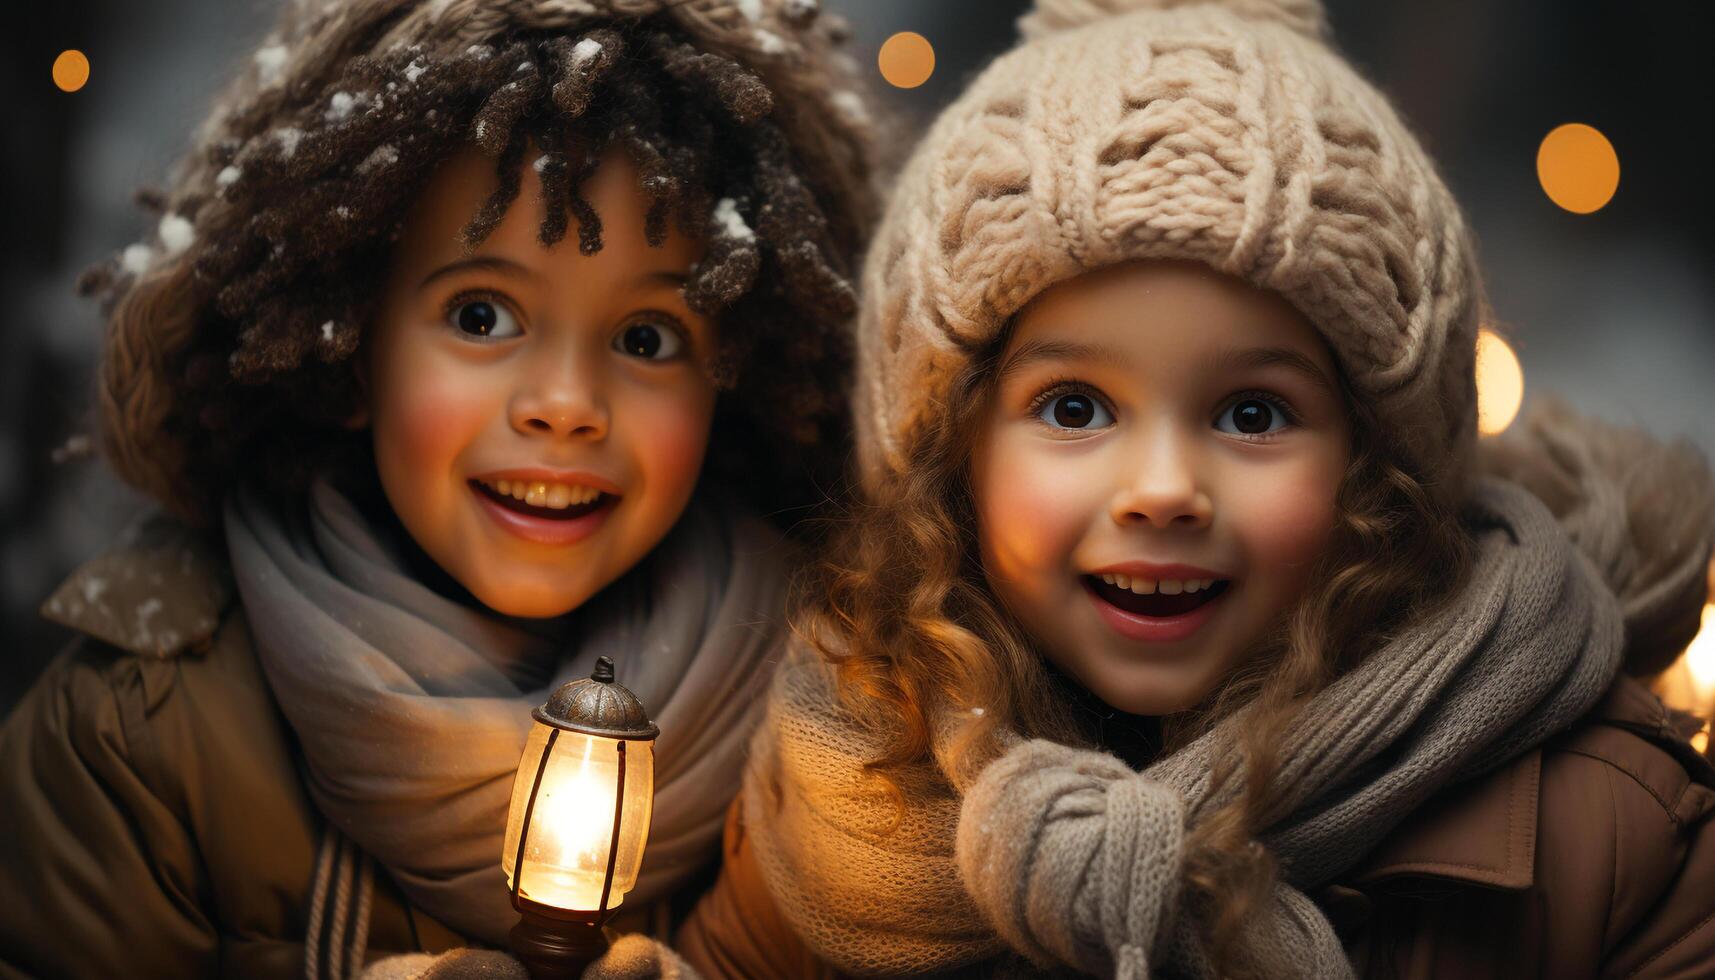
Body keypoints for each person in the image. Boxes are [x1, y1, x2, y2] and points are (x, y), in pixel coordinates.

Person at [675, 0, 1715, 977]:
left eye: (1250, 414)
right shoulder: (831, 799)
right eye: (1074, 408)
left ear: (1377, 470)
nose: (1162, 490)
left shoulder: (1601, 830)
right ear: (954, 460)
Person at [0, 0, 875, 976]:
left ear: (741, 372)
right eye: (480, 312)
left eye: (645, 338)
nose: (564, 404)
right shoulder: (141, 736)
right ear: (345, 342)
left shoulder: (836, 749)